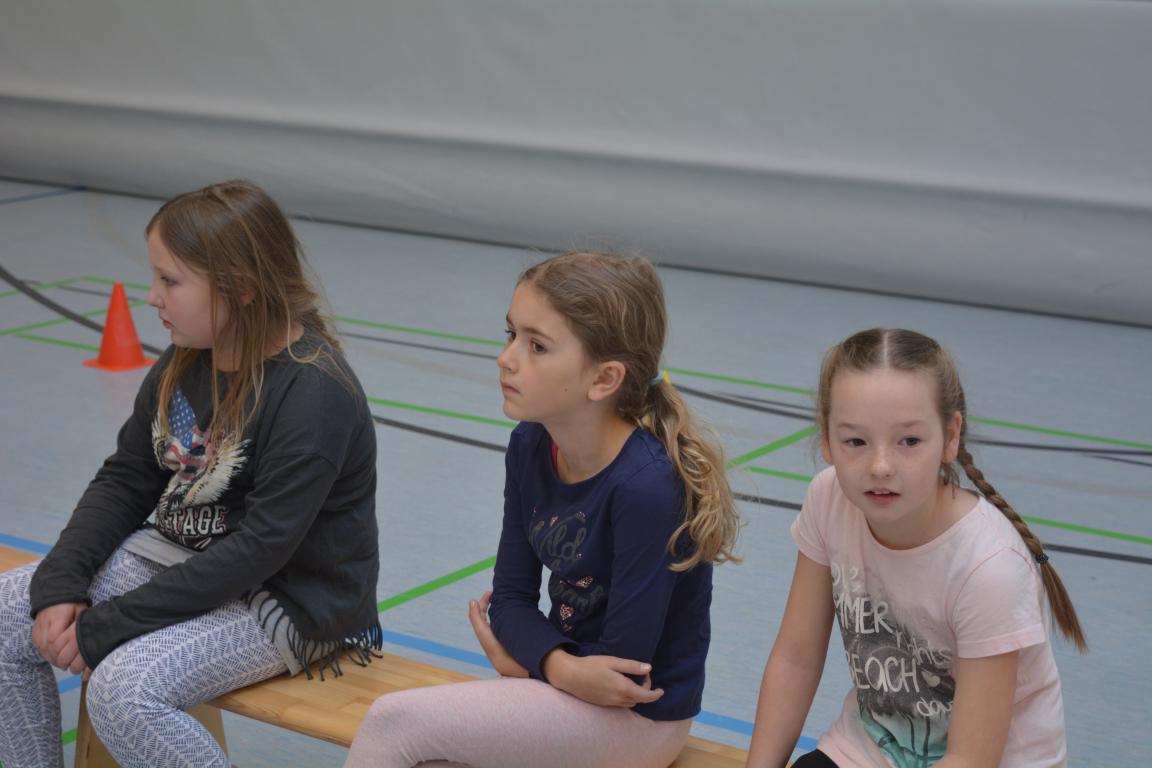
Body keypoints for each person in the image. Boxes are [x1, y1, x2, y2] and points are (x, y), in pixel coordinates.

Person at [0, 180, 379, 768]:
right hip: (185, 560)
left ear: (241, 288)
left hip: (288, 600)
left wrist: (109, 625)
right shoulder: (190, 355)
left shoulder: (314, 392)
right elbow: (127, 478)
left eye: (170, 281)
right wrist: (62, 582)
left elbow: (260, 548)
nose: (153, 297)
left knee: (125, 692)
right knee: (8, 615)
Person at [345, 251, 740, 768]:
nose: (506, 358)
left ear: (604, 379)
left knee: (393, 723)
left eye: (536, 346)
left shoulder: (648, 488)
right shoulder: (530, 444)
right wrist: (555, 664)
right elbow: (509, 599)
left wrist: (531, 662)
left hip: (638, 721)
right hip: (567, 687)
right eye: (511, 334)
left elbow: (622, 670)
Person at [747, 328, 1086, 768]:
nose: (880, 466)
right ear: (827, 439)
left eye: (909, 441)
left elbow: (971, 758)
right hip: (873, 749)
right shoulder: (828, 500)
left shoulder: (990, 568)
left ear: (950, 436)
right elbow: (796, 658)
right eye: (855, 441)